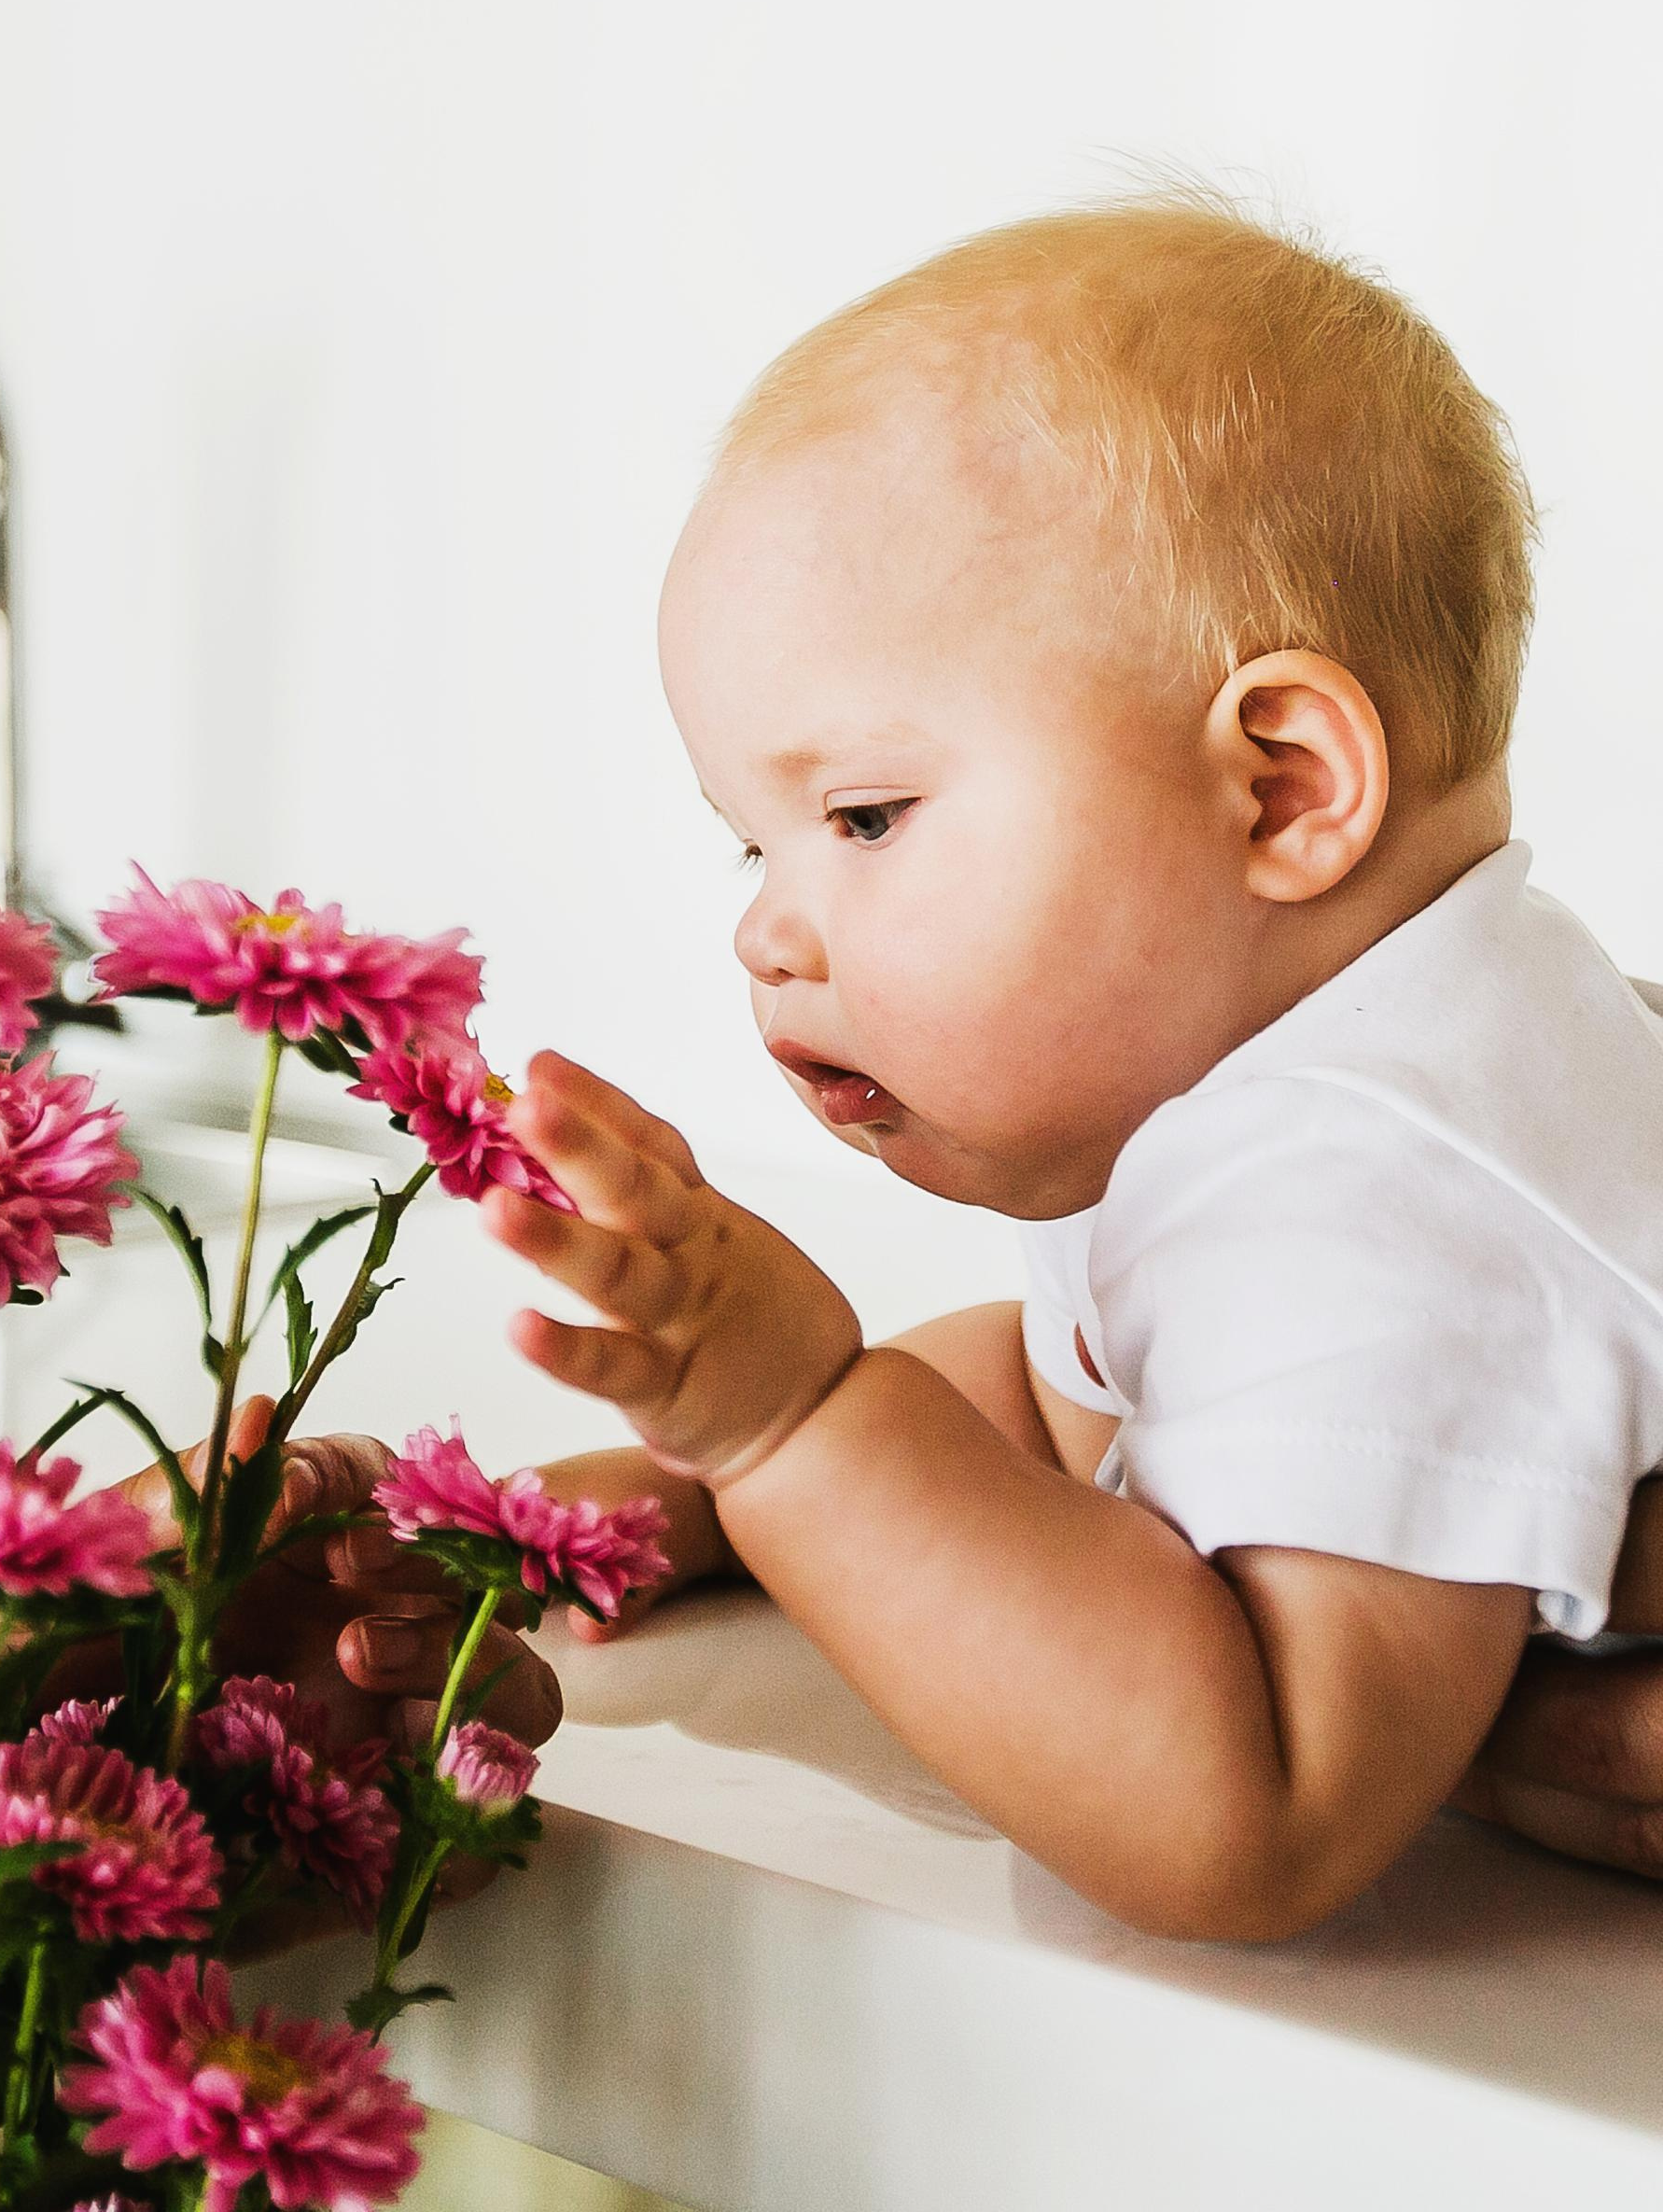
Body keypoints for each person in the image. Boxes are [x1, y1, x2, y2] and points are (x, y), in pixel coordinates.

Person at [426, 186, 1663, 1941]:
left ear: (1283, 792)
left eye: (863, 815)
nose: (768, 935)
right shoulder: (1291, 1100)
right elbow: (1075, 1391)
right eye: (753, 845)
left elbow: (1243, 1815)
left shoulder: (1382, 1186)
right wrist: (714, 1498)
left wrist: (797, 1429)